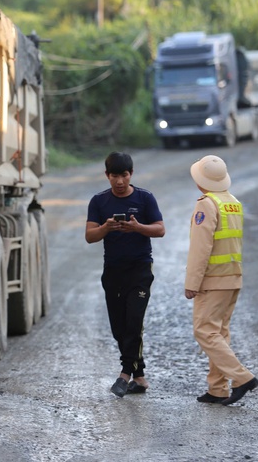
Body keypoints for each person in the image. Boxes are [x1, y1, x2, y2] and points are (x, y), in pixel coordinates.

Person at [85, 152, 165, 397]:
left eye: (124, 175)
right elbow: (90, 236)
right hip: (113, 271)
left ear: (131, 174)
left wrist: (137, 227)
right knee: (119, 328)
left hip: (140, 269)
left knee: (134, 322)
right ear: (107, 175)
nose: (119, 181)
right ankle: (139, 377)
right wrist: (105, 228)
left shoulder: (145, 198)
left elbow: (160, 230)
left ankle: (124, 375)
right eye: (114, 176)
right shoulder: (98, 202)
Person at [185, 155, 258, 405]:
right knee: (219, 333)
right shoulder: (233, 202)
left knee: (204, 331)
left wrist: (192, 283)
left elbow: (200, 248)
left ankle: (242, 377)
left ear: (200, 181)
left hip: (213, 280)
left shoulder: (207, 204)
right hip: (233, 277)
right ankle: (218, 388)